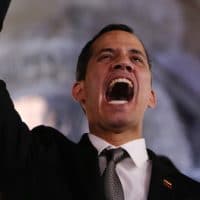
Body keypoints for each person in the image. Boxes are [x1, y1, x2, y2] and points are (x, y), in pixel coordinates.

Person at [0, 4, 200, 200]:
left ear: (151, 96)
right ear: (80, 91)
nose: (123, 62)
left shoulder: (188, 191)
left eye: (136, 59)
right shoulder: (38, 162)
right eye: (106, 56)